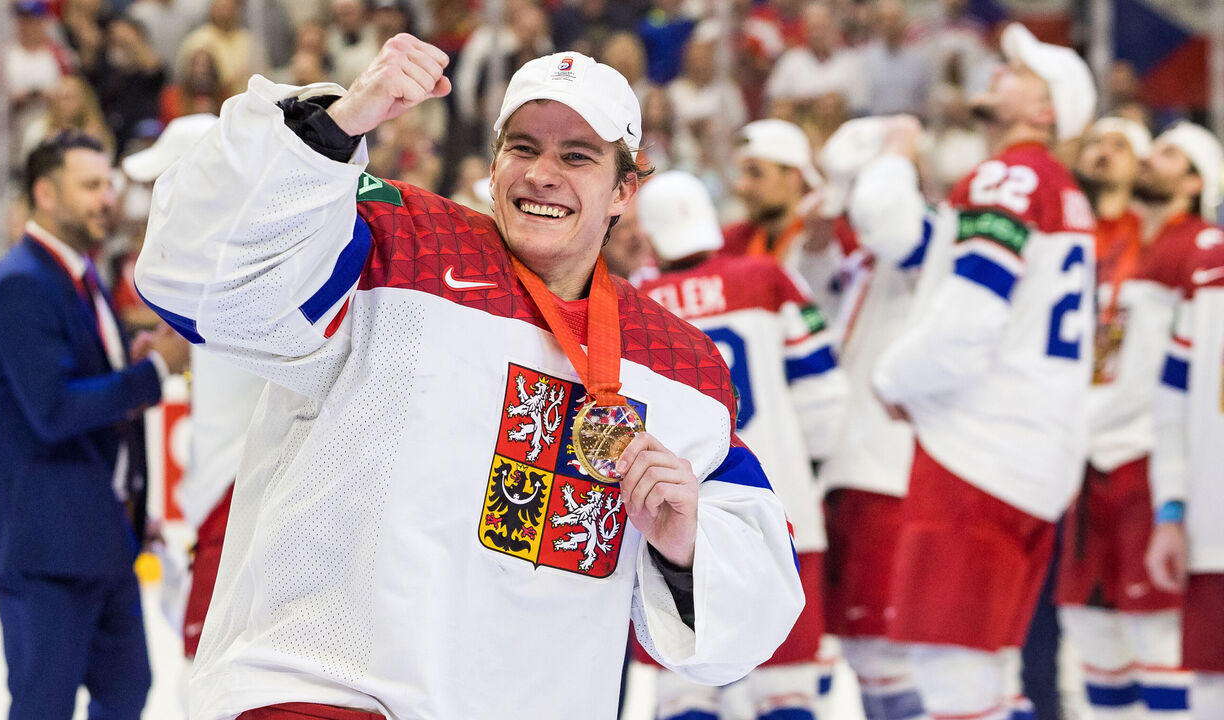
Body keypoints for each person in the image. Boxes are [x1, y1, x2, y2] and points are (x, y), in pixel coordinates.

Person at [134, 34, 805, 720]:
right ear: (493, 163)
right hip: (328, 687)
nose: (542, 174)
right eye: (523, 148)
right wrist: (334, 127)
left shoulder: (679, 366)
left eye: (577, 156)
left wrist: (689, 549)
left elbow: (756, 605)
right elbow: (194, 279)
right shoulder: (393, 242)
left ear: (623, 190)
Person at [870, 23, 1098, 719]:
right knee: (995, 677)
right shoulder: (1064, 191)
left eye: (1020, 71)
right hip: (1036, 455)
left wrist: (892, 378)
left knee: (952, 677)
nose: (999, 70)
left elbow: (967, 325)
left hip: (975, 454)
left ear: (1045, 111)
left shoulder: (1010, 175)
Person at [0, 130, 189, 720]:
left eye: (108, 185)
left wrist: (129, 507)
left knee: (127, 690)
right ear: (45, 193)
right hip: (43, 546)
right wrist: (153, 372)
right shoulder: (22, 283)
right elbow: (54, 410)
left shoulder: (79, 274)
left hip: (99, 534)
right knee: (44, 705)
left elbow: (85, 393)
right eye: (90, 186)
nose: (106, 199)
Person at [636, 169, 847, 720]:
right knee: (788, 687)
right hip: (782, 501)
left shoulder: (635, 301)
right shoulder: (767, 278)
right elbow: (823, 395)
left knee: (685, 685)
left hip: (674, 516)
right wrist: (808, 465)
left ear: (649, 235)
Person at [1057, 118, 1200, 720]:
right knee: (1090, 629)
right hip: (1083, 459)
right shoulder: (1086, 238)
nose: (1137, 160)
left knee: (1158, 633)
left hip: (1147, 458)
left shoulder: (1190, 248)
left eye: (1132, 148)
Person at [122, 112, 252, 664]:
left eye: (164, 184)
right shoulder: (230, 259)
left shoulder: (227, 264)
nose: (155, 202)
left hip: (237, 493)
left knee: (205, 670)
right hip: (228, 494)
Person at [815, 115, 930, 720]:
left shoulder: (926, 237)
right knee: (863, 649)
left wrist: (897, 153)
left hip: (890, 473)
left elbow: (890, 218)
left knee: (896, 652)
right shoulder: (858, 261)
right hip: (849, 470)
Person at [1144, 129, 1224, 720]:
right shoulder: (1208, 277)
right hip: (1212, 533)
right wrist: (1170, 509)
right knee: (1209, 696)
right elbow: (1171, 406)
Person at [724, 118, 843, 320]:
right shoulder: (733, 242)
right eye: (740, 173)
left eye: (755, 173)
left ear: (794, 176)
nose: (741, 185)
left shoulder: (834, 237)